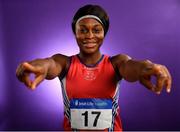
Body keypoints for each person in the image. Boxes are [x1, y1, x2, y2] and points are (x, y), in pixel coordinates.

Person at [16, 4, 172, 131]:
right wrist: (35, 66)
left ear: (104, 33)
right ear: (75, 33)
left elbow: (133, 66)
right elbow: (48, 63)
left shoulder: (116, 63)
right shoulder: (64, 63)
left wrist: (148, 67)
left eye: (96, 30)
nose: (89, 36)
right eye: (82, 30)